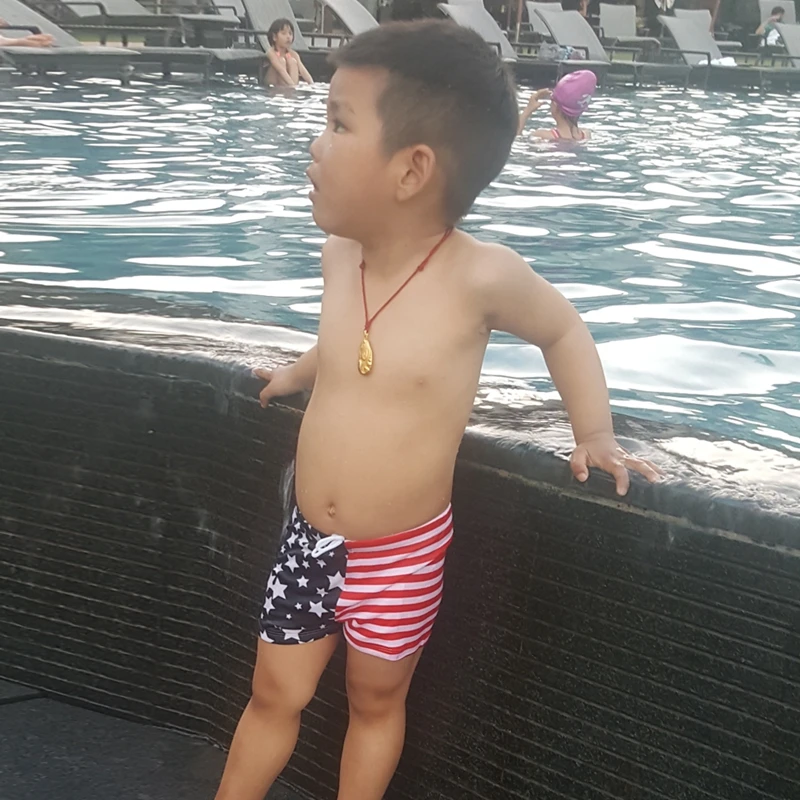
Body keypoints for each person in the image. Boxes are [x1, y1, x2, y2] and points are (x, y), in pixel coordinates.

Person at [215, 20, 660, 800]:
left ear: (412, 169)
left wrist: (594, 433)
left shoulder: (478, 277)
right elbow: (343, 343)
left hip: (401, 556)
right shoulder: (340, 257)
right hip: (309, 539)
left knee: (375, 704)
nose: (315, 144)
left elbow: (563, 329)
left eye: (338, 123)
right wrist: (294, 373)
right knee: (272, 693)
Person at [518, 69, 596, 141]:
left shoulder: (542, 136)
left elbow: (515, 138)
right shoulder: (586, 135)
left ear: (555, 105)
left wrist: (527, 110)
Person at [264, 18, 313, 87]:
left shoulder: (293, 54)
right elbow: (281, 70)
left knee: (292, 61)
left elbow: (303, 70)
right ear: (274, 37)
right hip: (272, 84)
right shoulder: (271, 52)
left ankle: (291, 89)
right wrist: (292, 85)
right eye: (284, 33)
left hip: (290, 84)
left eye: (290, 33)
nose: (288, 37)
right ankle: (288, 88)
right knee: (281, 61)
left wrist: (312, 84)